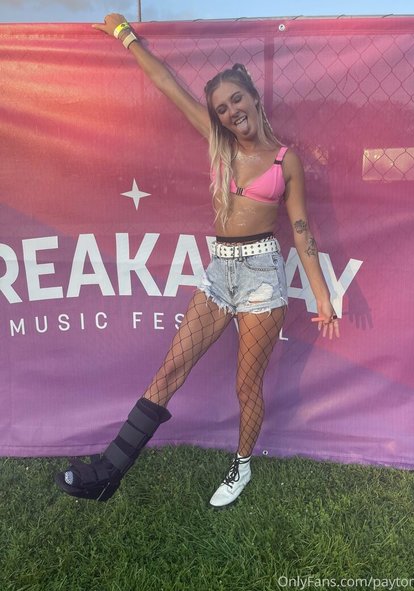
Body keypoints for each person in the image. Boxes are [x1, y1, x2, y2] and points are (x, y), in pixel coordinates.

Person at [55, 13, 340, 508]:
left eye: (236, 100)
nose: (231, 112)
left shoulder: (284, 160)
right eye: (222, 108)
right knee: (170, 370)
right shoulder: (219, 145)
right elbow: (167, 84)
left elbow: (301, 231)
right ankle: (108, 473)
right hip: (219, 273)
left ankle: (241, 465)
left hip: (262, 279)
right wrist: (125, 36)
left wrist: (322, 296)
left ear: (254, 98)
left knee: (245, 386)